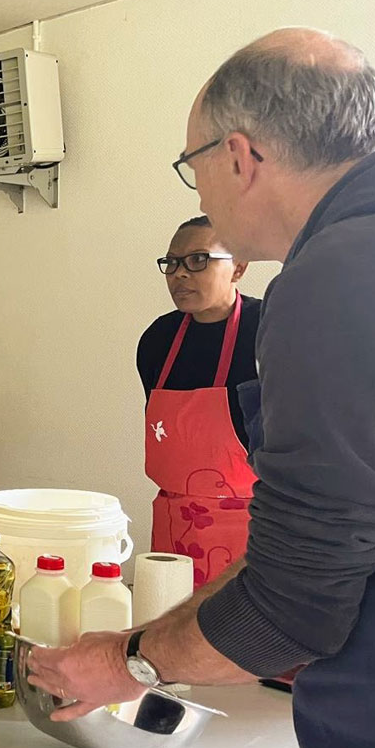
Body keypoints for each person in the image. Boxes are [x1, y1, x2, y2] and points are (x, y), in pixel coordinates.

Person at [27, 29, 375, 748]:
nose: (197, 186)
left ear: (238, 157)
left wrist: (128, 661)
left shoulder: (334, 279)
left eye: (191, 164)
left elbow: (294, 601)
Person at [138, 215, 259, 587]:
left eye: (198, 260)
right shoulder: (158, 340)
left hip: (253, 532)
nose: (180, 274)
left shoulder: (268, 330)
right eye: (172, 262)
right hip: (174, 529)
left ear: (238, 267)